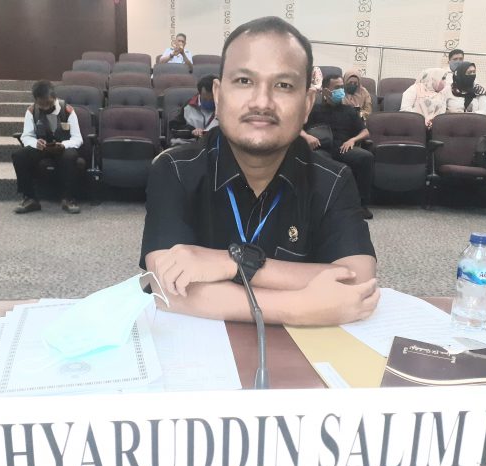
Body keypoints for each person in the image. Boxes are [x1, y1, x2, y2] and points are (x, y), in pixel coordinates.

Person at [140, 16, 379, 326]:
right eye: (244, 81)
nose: (262, 102)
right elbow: (163, 286)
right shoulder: (174, 169)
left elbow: (357, 282)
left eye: (283, 85)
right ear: (219, 94)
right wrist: (296, 306)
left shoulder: (333, 180)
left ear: (307, 104)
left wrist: (232, 263)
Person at [301, 74, 374, 219]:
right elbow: (296, 128)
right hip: (321, 148)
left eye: (342, 87)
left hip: (343, 148)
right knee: (315, 158)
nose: (341, 90)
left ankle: (361, 205)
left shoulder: (349, 110)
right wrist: (307, 137)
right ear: (326, 91)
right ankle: (314, 205)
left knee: (366, 157)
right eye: (337, 87)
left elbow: (365, 132)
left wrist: (353, 140)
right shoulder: (315, 110)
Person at [11, 80, 83, 215]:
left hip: (62, 148)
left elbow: (77, 138)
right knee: (19, 156)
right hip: (41, 148)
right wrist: (35, 143)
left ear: (54, 97)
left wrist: (64, 145)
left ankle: (68, 198)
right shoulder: (31, 111)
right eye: (41, 104)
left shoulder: (67, 110)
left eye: (48, 103)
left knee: (71, 156)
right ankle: (30, 198)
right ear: (36, 100)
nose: (45, 108)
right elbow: (26, 136)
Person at [169, 74, 219, 146]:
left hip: (215, 145)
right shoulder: (189, 106)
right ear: (199, 93)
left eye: (212, 99)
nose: (209, 102)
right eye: (205, 99)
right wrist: (191, 131)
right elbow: (174, 128)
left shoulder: (226, 108)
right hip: (190, 144)